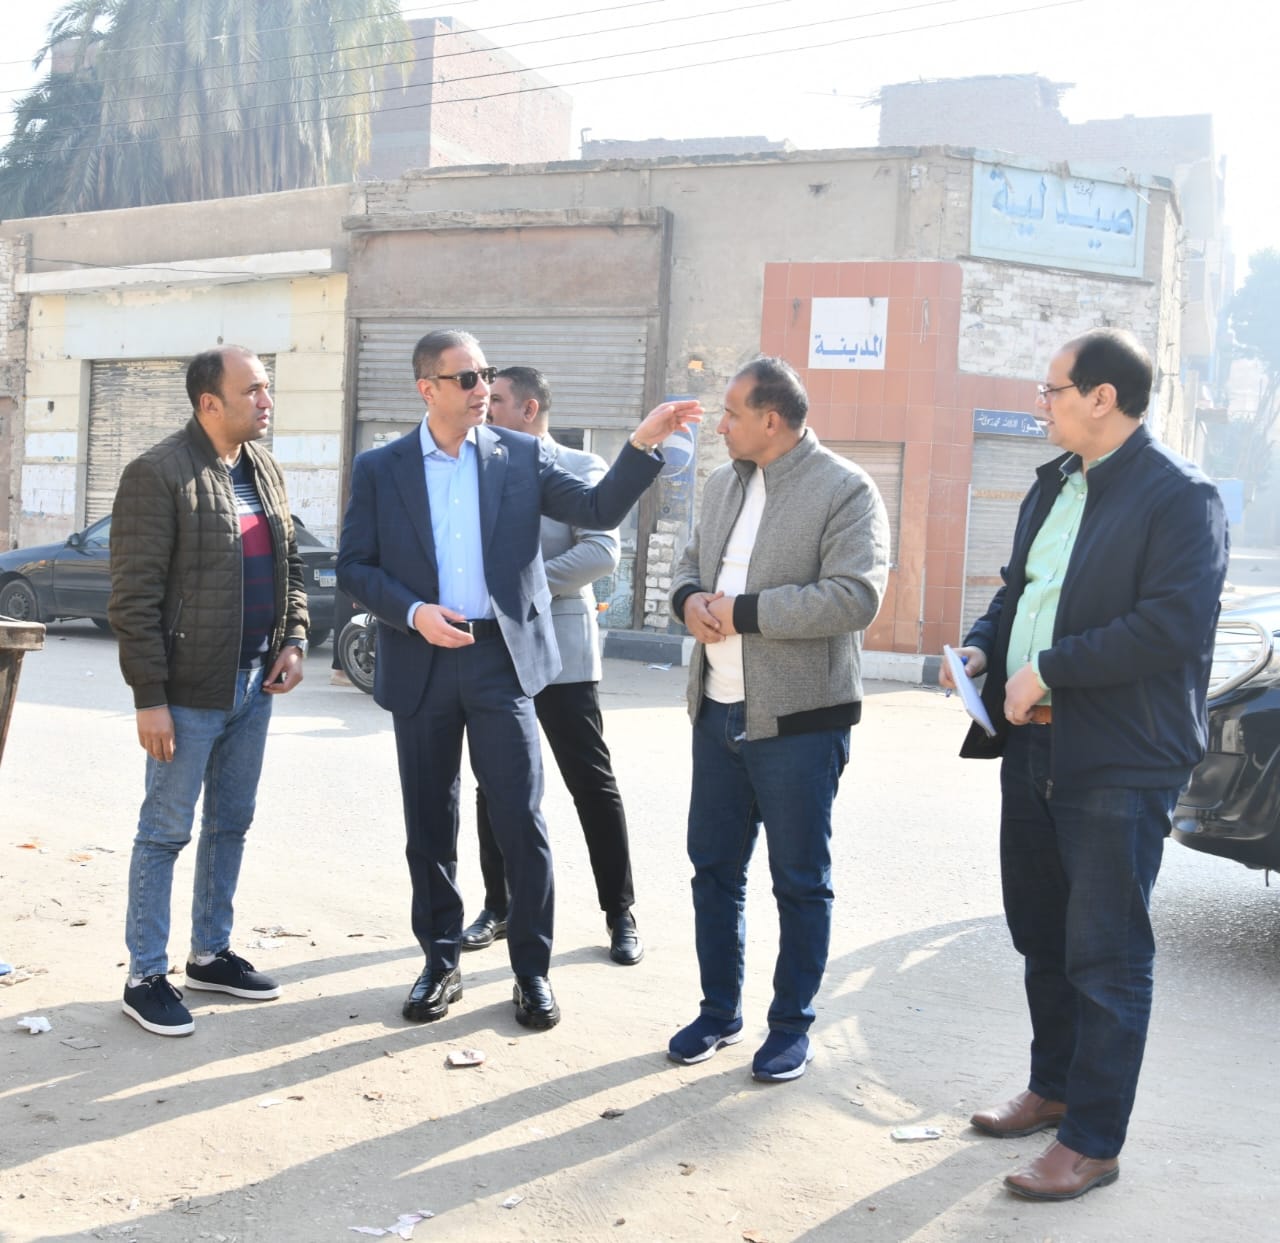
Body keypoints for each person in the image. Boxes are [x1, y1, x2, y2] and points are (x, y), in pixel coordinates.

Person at [336, 329, 699, 1031]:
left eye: (487, 375)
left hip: (501, 661)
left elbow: (596, 511)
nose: (482, 389)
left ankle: (532, 971)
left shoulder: (519, 455)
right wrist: (412, 612)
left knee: (521, 818)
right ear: (428, 389)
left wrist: (642, 445)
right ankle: (440, 962)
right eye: (467, 378)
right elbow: (354, 566)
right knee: (429, 823)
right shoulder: (382, 468)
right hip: (421, 660)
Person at [941, 328, 1228, 1200]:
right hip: (1032, 741)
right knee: (1041, 933)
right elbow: (1018, 588)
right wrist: (986, 648)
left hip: (1118, 756)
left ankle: (1093, 1140)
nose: (1041, 403)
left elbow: (1170, 625)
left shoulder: (1180, 496)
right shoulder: (1056, 482)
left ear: (1103, 397)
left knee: (1106, 955)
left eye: (1053, 389)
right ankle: (1054, 1086)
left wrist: (1050, 667)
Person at [667, 356, 889, 1082]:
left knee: (798, 880)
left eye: (731, 414)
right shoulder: (723, 484)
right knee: (713, 872)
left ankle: (791, 1026)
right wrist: (689, 601)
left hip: (801, 721)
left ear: (771, 419)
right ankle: (719, 1012)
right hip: (716, 711)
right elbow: (689, 565)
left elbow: (854, 597)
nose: (720, 426)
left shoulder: (845, 488)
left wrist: (743, 613)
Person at [109, 346, 310, 1037]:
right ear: (209, 403)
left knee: (231, 824)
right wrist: (149, 697)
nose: (266, 401)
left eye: (267, 388)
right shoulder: (158, 473)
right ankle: (144, 975)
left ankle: (210, 953)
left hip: (256, 683)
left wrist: (294, 639)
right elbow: (133, 599)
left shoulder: (264, 470)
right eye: (252, 390)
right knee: (165, 832)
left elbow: (291, 564)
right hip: (188, 693)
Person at [461, 366, 643, 966]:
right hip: (496, 652)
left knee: (590, 783)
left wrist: (519, 588)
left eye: (497, 400)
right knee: (495, 785)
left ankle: (620, 913)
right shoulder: (480, 470)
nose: (485, 409)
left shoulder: (579, 467)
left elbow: (600, 552)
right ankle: (499, 905)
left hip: (561, 650)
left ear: (530, 409)